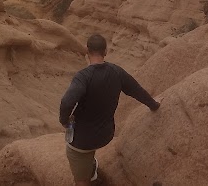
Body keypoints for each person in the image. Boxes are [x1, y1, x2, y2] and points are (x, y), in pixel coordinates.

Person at [59, 34, 160, 185]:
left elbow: (67, 102)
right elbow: (136, 90)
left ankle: (86, 177)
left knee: (73, 153)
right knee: (89, 145)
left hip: (82, 142)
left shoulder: (83, 76)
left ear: (87, 51)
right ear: (105, 51)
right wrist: (154, 104)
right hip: (106, 136)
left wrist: (64, 121)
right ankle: (91, 165)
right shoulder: (117, 72)